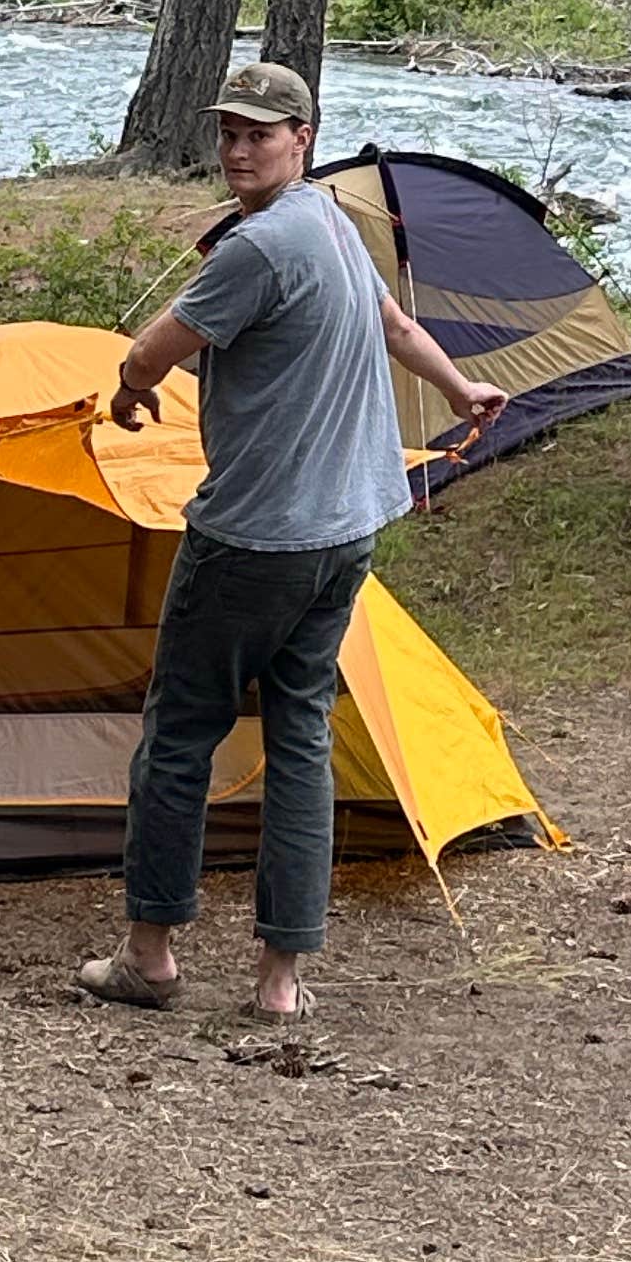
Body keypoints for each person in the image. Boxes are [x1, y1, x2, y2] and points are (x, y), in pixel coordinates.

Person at [77, 60, 509, 1022]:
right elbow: (395, 323)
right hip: (349, 527)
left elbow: (148, 352)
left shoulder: (259, 248)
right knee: (301, 738)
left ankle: (150, 955)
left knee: (181, 736)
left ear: (301, 140)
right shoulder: (332, 221)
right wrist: (456, 387)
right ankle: (279, 981)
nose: (238, 150)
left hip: (255, 540)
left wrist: (133, 387)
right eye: (229, 132)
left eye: (259, 135)